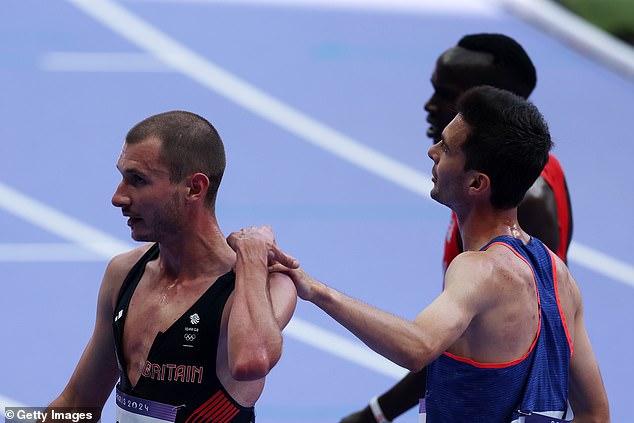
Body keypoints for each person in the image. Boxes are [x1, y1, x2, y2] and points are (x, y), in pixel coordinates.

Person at [274, 86, 609, 422]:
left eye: (447, 148)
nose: (432, 151)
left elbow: (417, 347)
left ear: (477, 184)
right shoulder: (560, 278)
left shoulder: (479, 270)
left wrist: (315, 290)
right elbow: (595, 413)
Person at [341, 33, 574, 423]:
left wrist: (375, 415)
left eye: (452, 97)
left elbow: (521, 338)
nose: (432, 106)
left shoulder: (522, 207)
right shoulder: (486, 189)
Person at [48, 111, 298, 423]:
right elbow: (78, 402)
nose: (117, 197)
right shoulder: (124, 273)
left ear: (194, 188)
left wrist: (251, 258)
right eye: (122, 176)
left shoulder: (263, 286)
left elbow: (252, 360)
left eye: (137, 180)